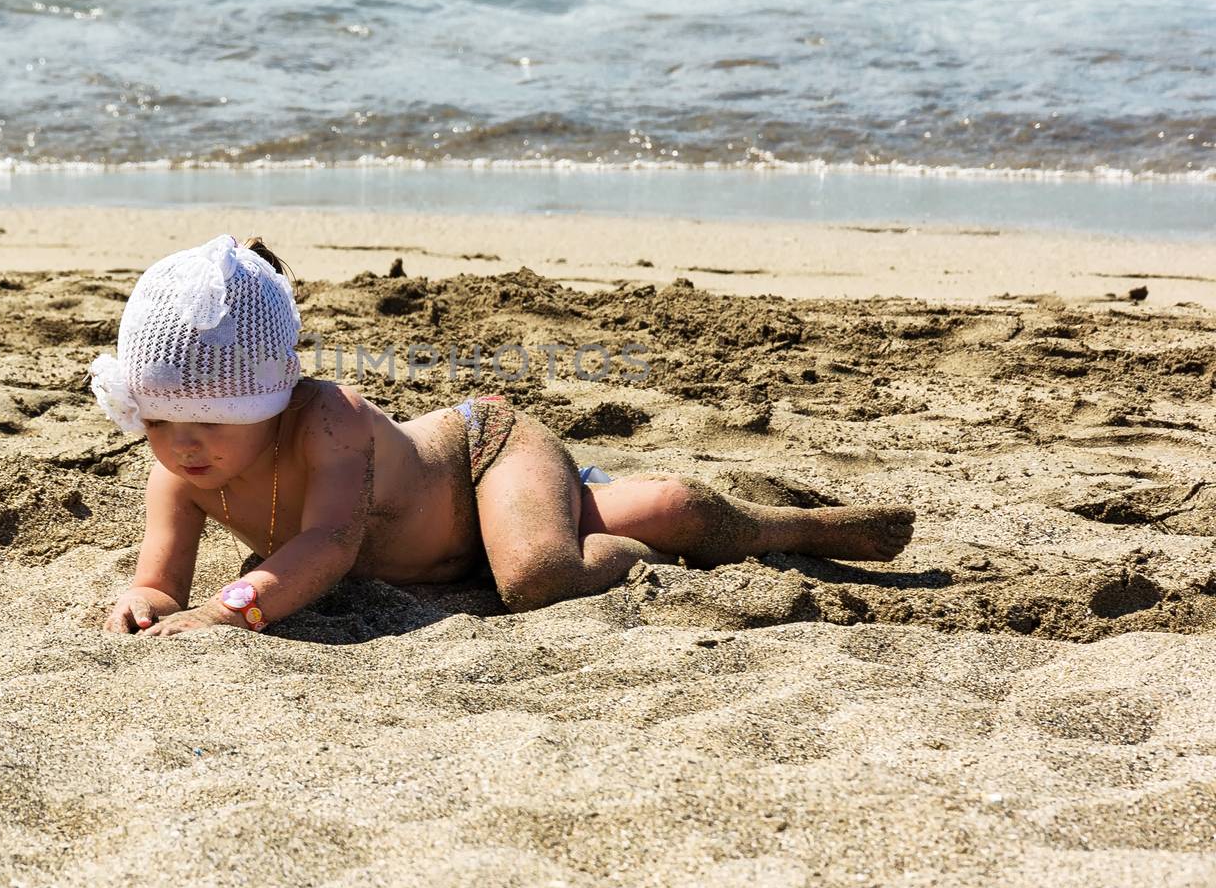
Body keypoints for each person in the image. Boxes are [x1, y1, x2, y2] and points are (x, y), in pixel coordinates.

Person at [94, 234, 914, 636]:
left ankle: (786, 528)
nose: (184, 445)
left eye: (213, 421)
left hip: (487, 455)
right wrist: (150, 602)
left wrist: (233, 608)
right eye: (160, 421)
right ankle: (598, 509)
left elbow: (332, 543)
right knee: (589, 521)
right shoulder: (178, 471)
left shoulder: (326, 418)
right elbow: (160, 579)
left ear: (271, 399)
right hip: (462, 549)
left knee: (540, 571)